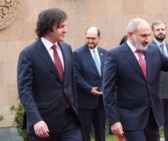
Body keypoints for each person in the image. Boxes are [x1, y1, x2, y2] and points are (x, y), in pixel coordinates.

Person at [17, 8, 82, 141]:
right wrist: (36, 120)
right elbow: (24, 90)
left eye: (65, 26)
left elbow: (70, 82)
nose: (65, 30)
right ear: (48, 27)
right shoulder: (29, 54)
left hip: (70, 121)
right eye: (61, 27)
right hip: (43, 124)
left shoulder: (66, 48)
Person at [73, 26, 107, 141]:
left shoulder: (105, 54)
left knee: (100, 133)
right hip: (85, 101)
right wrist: (89, 89)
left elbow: (106, 75)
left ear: (99, 38)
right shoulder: (77, 54)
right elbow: (76, 76)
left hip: (101, 101)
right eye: (87, 38)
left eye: (93, 38)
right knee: (84, 133)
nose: (90, 41)